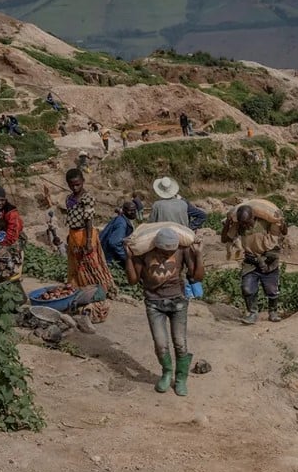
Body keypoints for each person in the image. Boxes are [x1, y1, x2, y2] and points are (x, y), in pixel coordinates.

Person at [124, 228, 203, 396]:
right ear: (156, 247)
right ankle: (167, 372)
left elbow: (197, 277)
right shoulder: (144, 252)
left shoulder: (182, 250)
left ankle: (181, 378)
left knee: (180, 343)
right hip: (154, 303)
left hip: (178, 302)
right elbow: (132, 281)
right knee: (160, 344)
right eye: (164, 252)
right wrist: (129, 258)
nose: (168, 255)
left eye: (171, 252)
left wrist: (199, 255)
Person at [63, 168, 116, 322]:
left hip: (85, 235)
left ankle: (97, 295)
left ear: (83, 182)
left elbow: (88, 221)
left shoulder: (87, 198)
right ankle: (80, 294)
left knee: (91, 267)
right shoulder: (69, 198)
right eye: (72, 185)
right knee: (76, 268)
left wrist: (87, 242)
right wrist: (70, 237)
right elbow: (71, 218)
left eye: (77, 184)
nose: (75, 188)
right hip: (74, 235)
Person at [222, 204, 286, 324]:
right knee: (247, 288)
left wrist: (281, 222)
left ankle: (273, 312)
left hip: (268, 259)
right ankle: (252, 313)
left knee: (272, 289)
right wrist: (227, 224)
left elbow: (283, 232)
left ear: (254, 217)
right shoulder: (239, 226)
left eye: (247, 222)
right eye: (243, 223)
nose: (245, 225)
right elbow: (225, 239)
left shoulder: (265, 222)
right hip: (251, 261)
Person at [99, 201, 138, 268]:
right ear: (124, 211)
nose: (133, 212)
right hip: (110, 258)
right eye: (131, 210)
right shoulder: (122, 224)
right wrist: (126, 258)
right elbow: (114, 243)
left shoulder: (121, 219)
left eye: (134, 210)